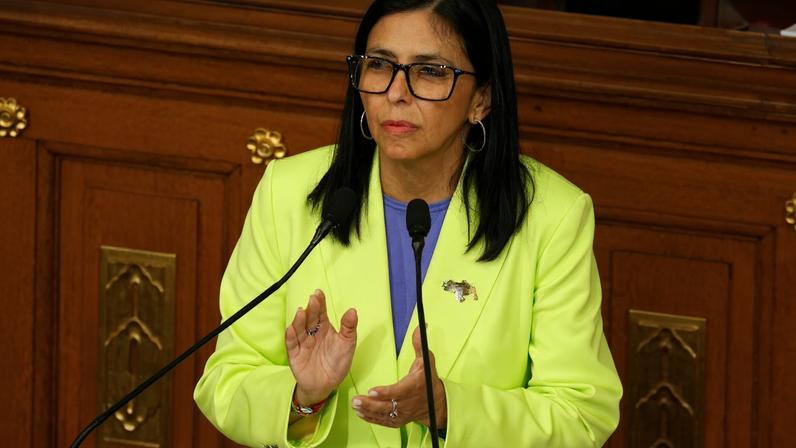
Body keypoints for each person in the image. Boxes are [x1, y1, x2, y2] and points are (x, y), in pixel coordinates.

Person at [194, 0, 622, 446]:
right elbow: (225, 380)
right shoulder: (289, 193)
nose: (396, 92)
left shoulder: (553, 215)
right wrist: (307, 398)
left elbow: (580, 413)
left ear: (481, 98)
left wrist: (445, 409)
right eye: (379, 65)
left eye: (430, 71)